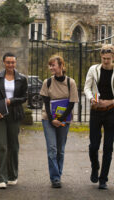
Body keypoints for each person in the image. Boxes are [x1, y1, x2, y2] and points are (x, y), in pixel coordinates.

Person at [84, 44, 114, 189]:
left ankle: (103, 179)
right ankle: (95, 167)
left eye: (108, 58)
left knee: (108, 147)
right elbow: (86, 87)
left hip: (110, 112)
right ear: (101, 57)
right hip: (96, 111)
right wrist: (91, 98)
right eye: (103, 58)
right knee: (93, 146)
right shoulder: (93, 69)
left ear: (113, 57)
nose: (106, 61)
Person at [0, 52, 28, 189]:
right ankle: (1, 179)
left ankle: (12, 175)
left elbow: (24, 97)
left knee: (13, 146)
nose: (11, 65)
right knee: (1, 146)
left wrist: (11, 101)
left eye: (13, 62)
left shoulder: (21, 78)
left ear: (15, 63)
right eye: (8, 62)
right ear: (3, 63)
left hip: (14, 114)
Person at [40, 55, 79, 188]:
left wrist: (61, 119)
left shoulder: (71, 82)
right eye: (50, 65)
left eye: (53, 65)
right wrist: (52, 119)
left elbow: (72, 103)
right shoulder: (47, 82)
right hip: (48, 119)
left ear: (61, 66)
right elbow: (45, 102)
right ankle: (55, 178)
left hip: (64, 120)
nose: (51, 67)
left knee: (60, 150)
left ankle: (58, 174)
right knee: (52, 148)